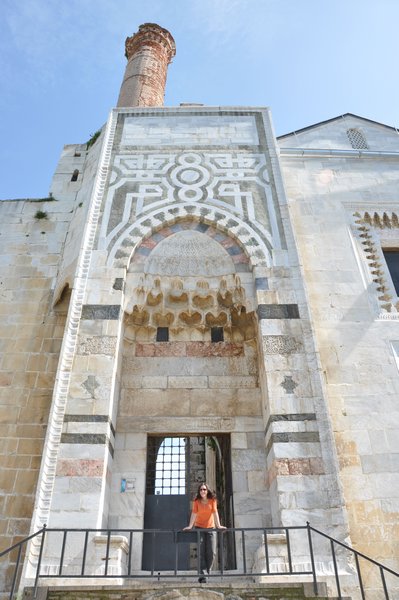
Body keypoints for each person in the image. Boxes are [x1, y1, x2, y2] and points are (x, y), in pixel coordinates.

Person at [183, 482, 226, 583]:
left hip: (211, 527)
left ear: (207, 491)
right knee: (201, 552)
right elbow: (194, 513)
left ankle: (207, 571)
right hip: (200, 528)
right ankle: (203, 575)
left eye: (204, 489)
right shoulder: (197, 501)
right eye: (201, 489)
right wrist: (190, 526)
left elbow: (215, 513)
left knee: (211, 552)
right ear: (199, 491)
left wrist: (219, 526)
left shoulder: (212, 500)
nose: (202, 491)